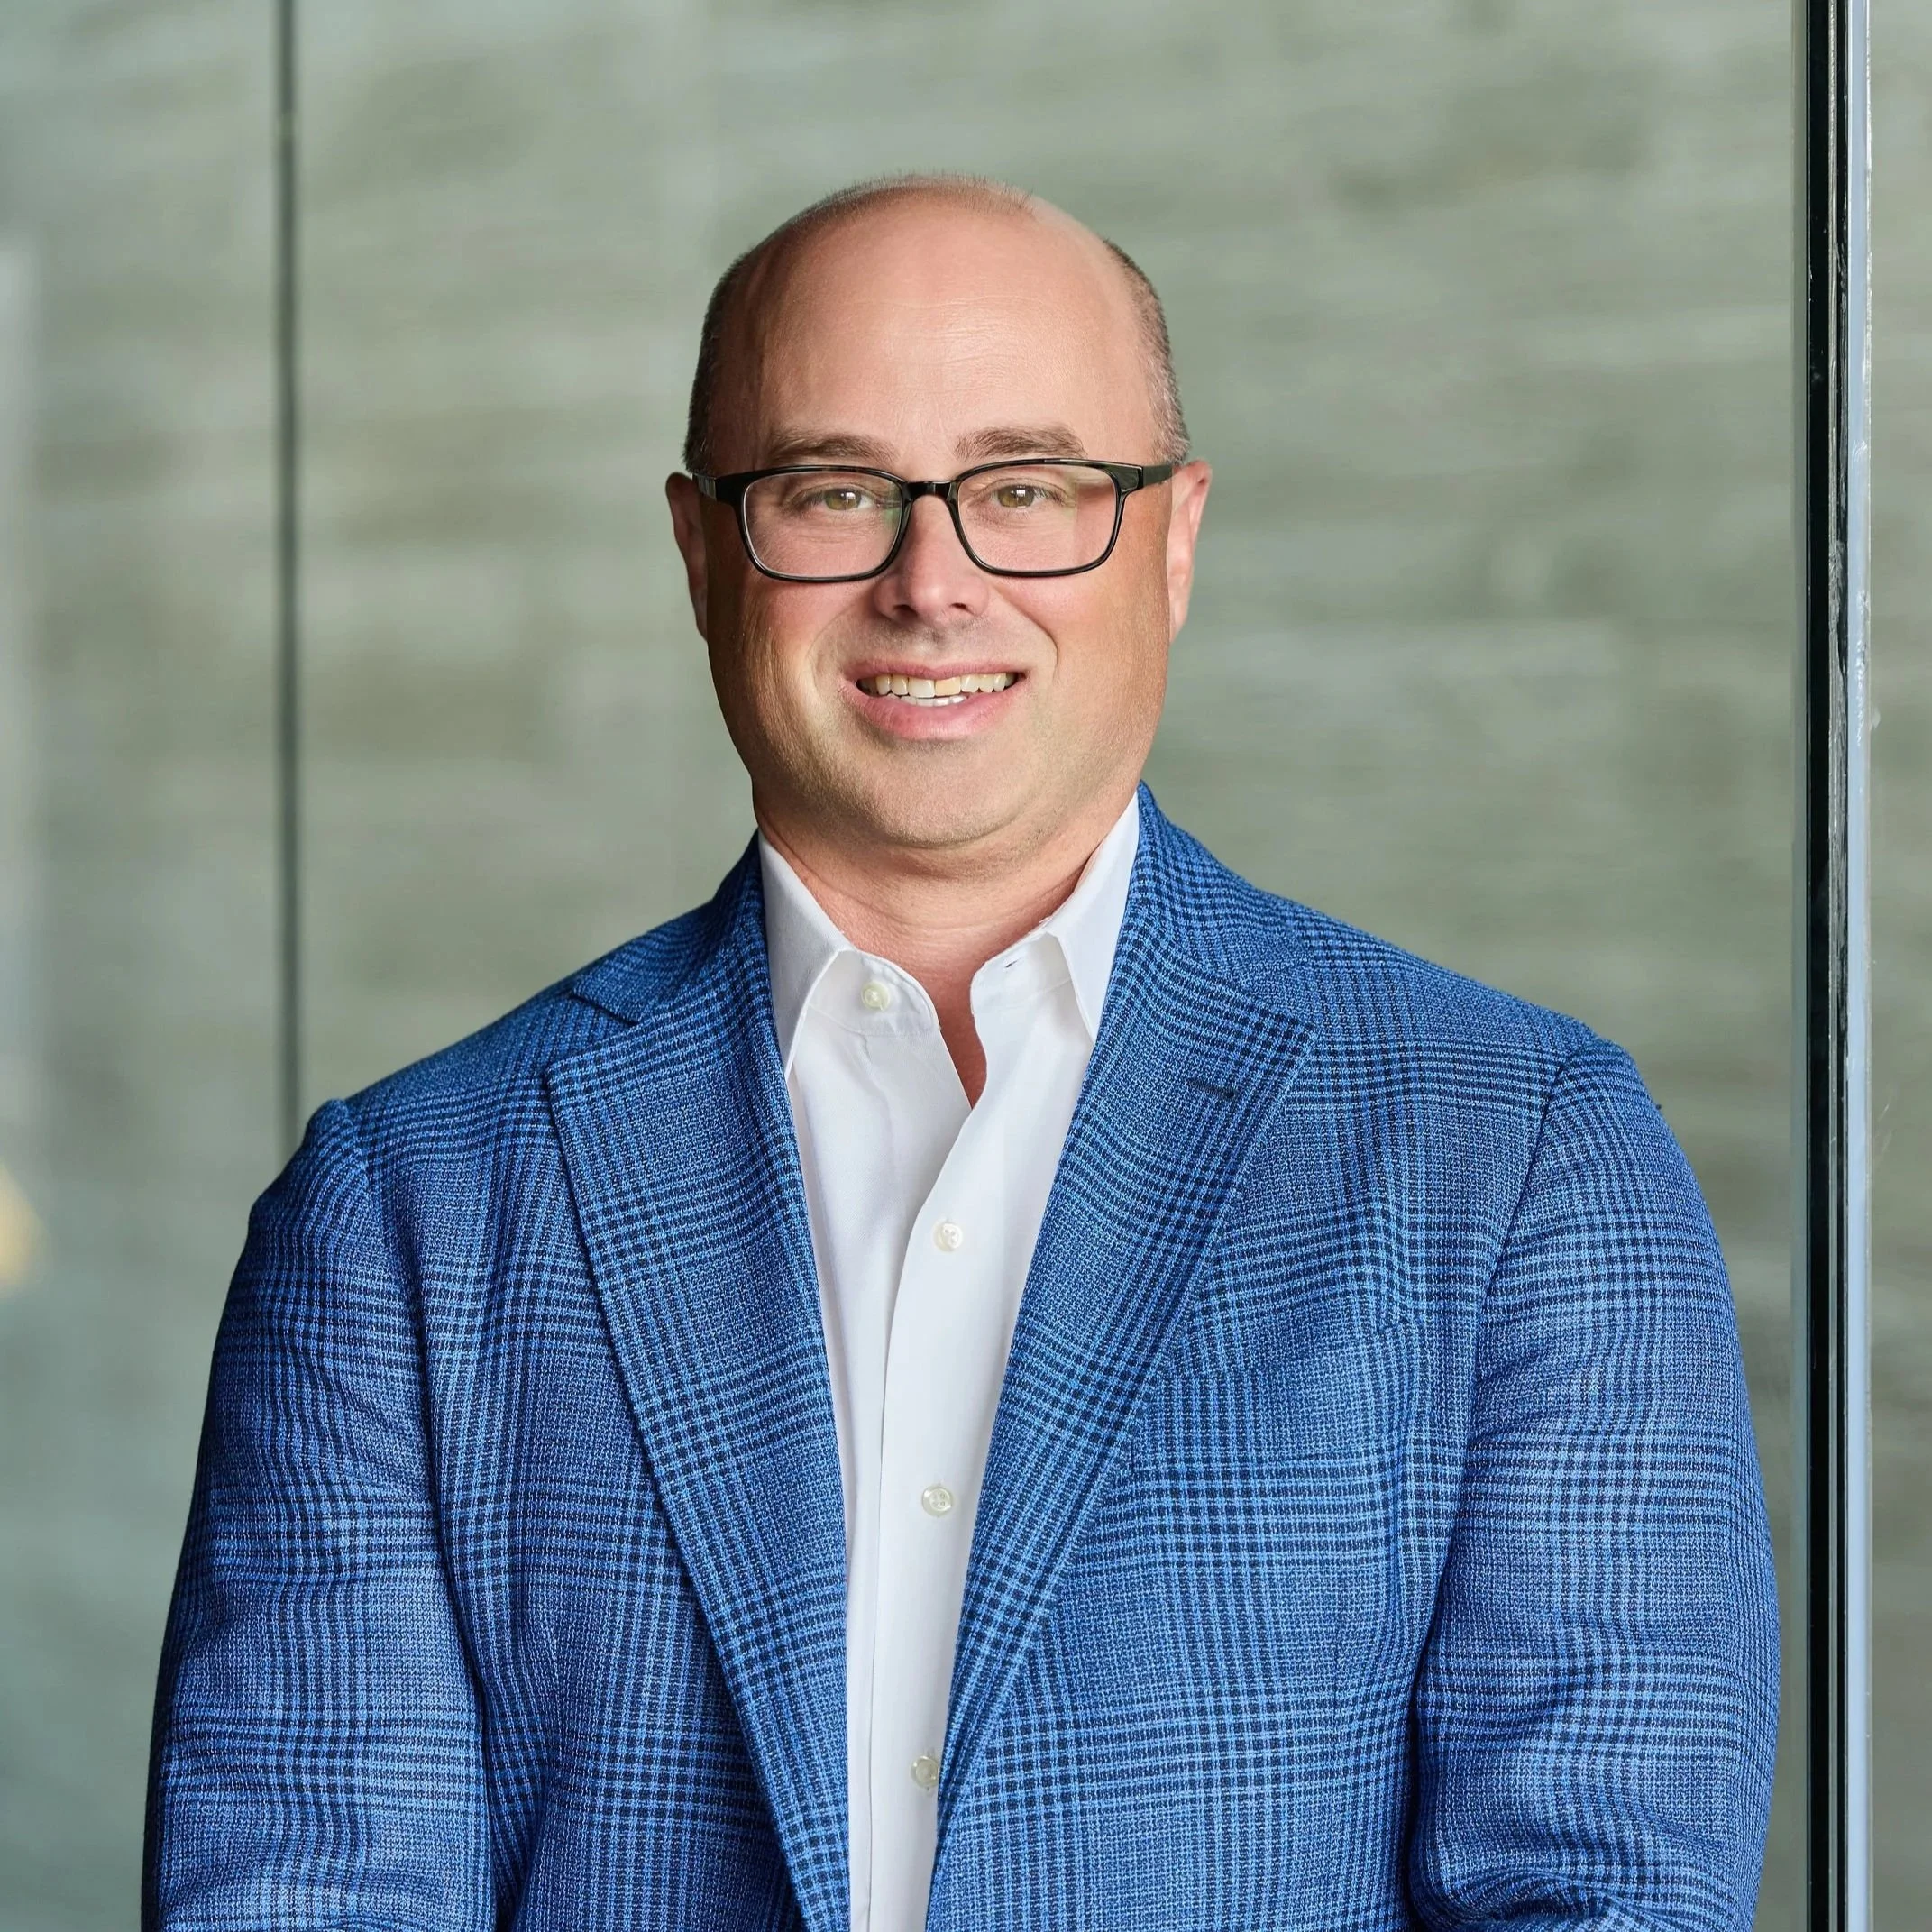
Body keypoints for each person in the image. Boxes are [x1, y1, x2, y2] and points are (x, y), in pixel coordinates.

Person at [146, 176, 1777, 1932]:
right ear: (704, 553)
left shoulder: (1517, 1148)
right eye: (834, 491)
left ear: (1172, 537)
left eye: (1029, 489)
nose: (935, 583)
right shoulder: (409, 1208)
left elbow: (1604, 1896)